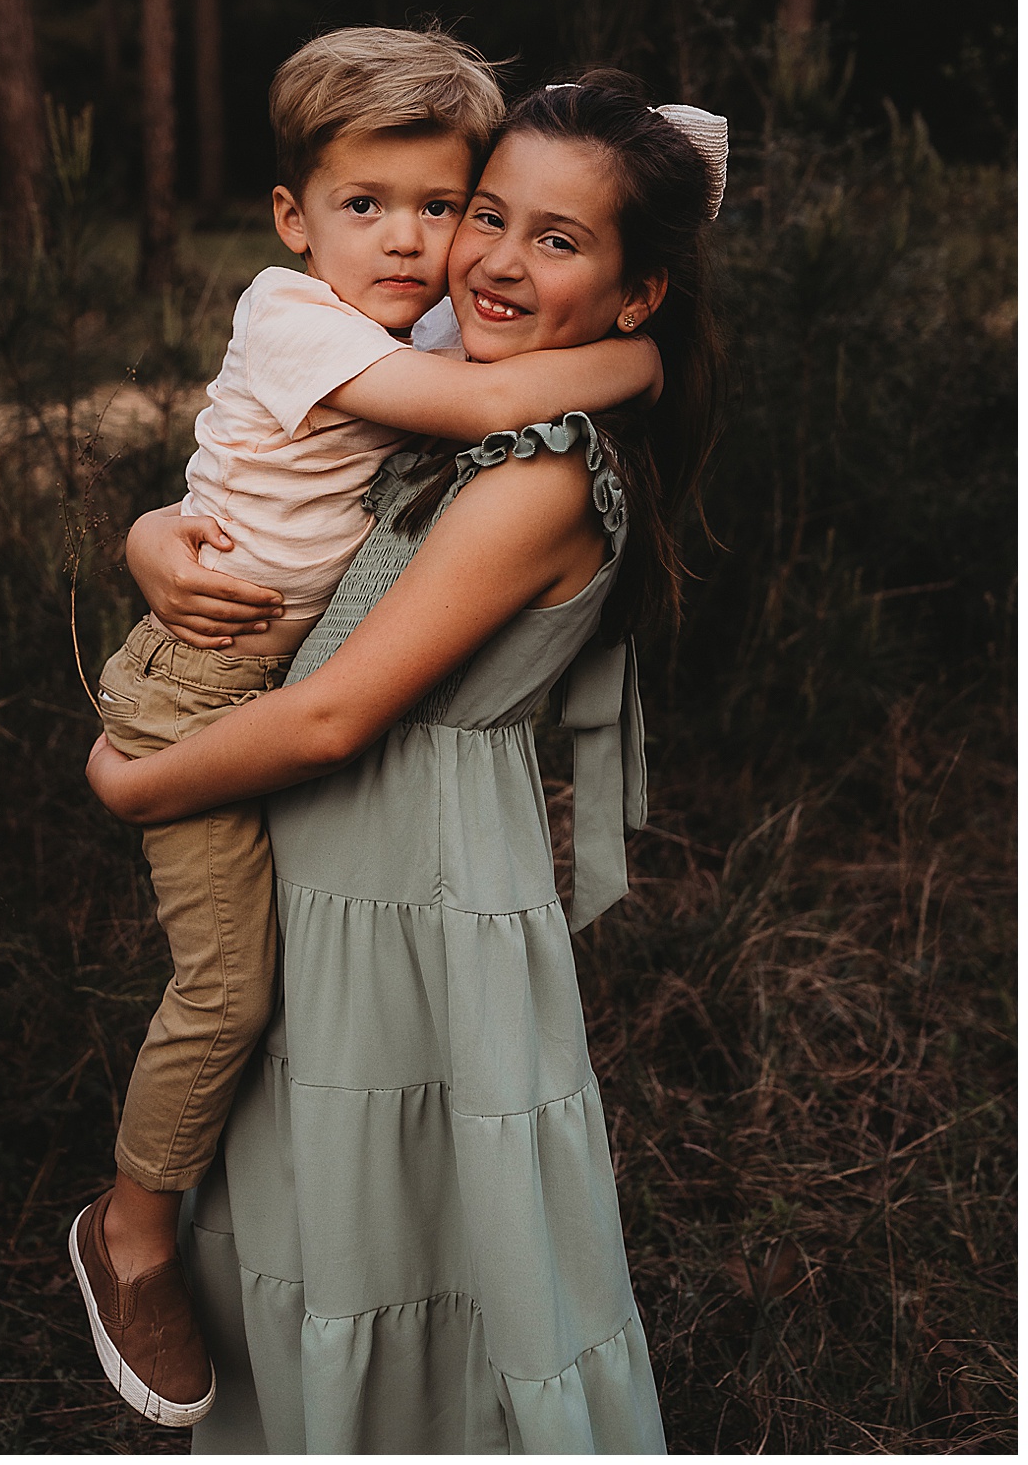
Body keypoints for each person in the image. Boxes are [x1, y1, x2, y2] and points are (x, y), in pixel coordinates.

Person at [89, 70, 726, 1453]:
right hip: (330, 870)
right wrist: (153, 533)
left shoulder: (535, 470)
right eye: (485, 214)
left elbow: (330, 716)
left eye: (558, 241)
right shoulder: (452, 393)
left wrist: (133, 782)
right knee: (326, 1219)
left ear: (638, 291)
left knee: (437, 1235)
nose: (494, 256)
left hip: (415, 883)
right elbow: (277, 502)